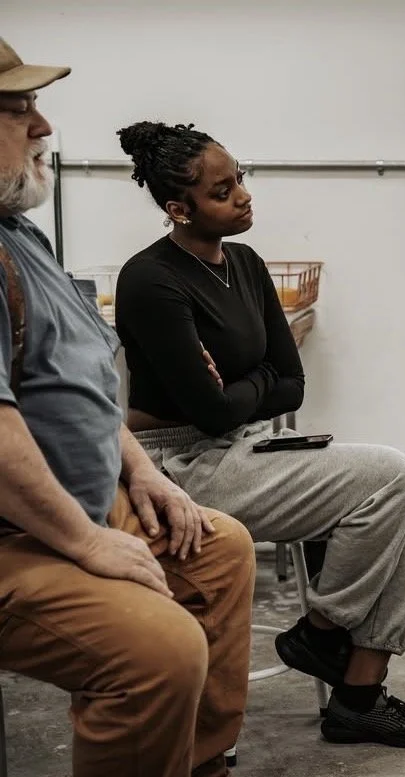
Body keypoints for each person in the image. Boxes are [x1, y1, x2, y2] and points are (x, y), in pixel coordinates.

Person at [113, 120, 405, 749]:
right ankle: (322, 632)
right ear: (178, 209)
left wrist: (249, 383)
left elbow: (293, 383)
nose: (242, 195)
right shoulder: (151, 280)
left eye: (240, 178)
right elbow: (211, 412)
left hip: (250, 443)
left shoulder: (244, 261)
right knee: (394, 474)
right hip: (183, 468)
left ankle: (357, 694)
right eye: (222, 190)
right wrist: (261, 375)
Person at [0, 39, 255, 777]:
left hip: (71, 504)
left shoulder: (21, 234)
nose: (43, 126)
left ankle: (196, 762)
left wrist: (140, 471)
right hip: (20, 531)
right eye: (19, 110)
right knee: (159, 649)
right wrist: (86, 542)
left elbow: (76, 376)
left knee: (217, 550)